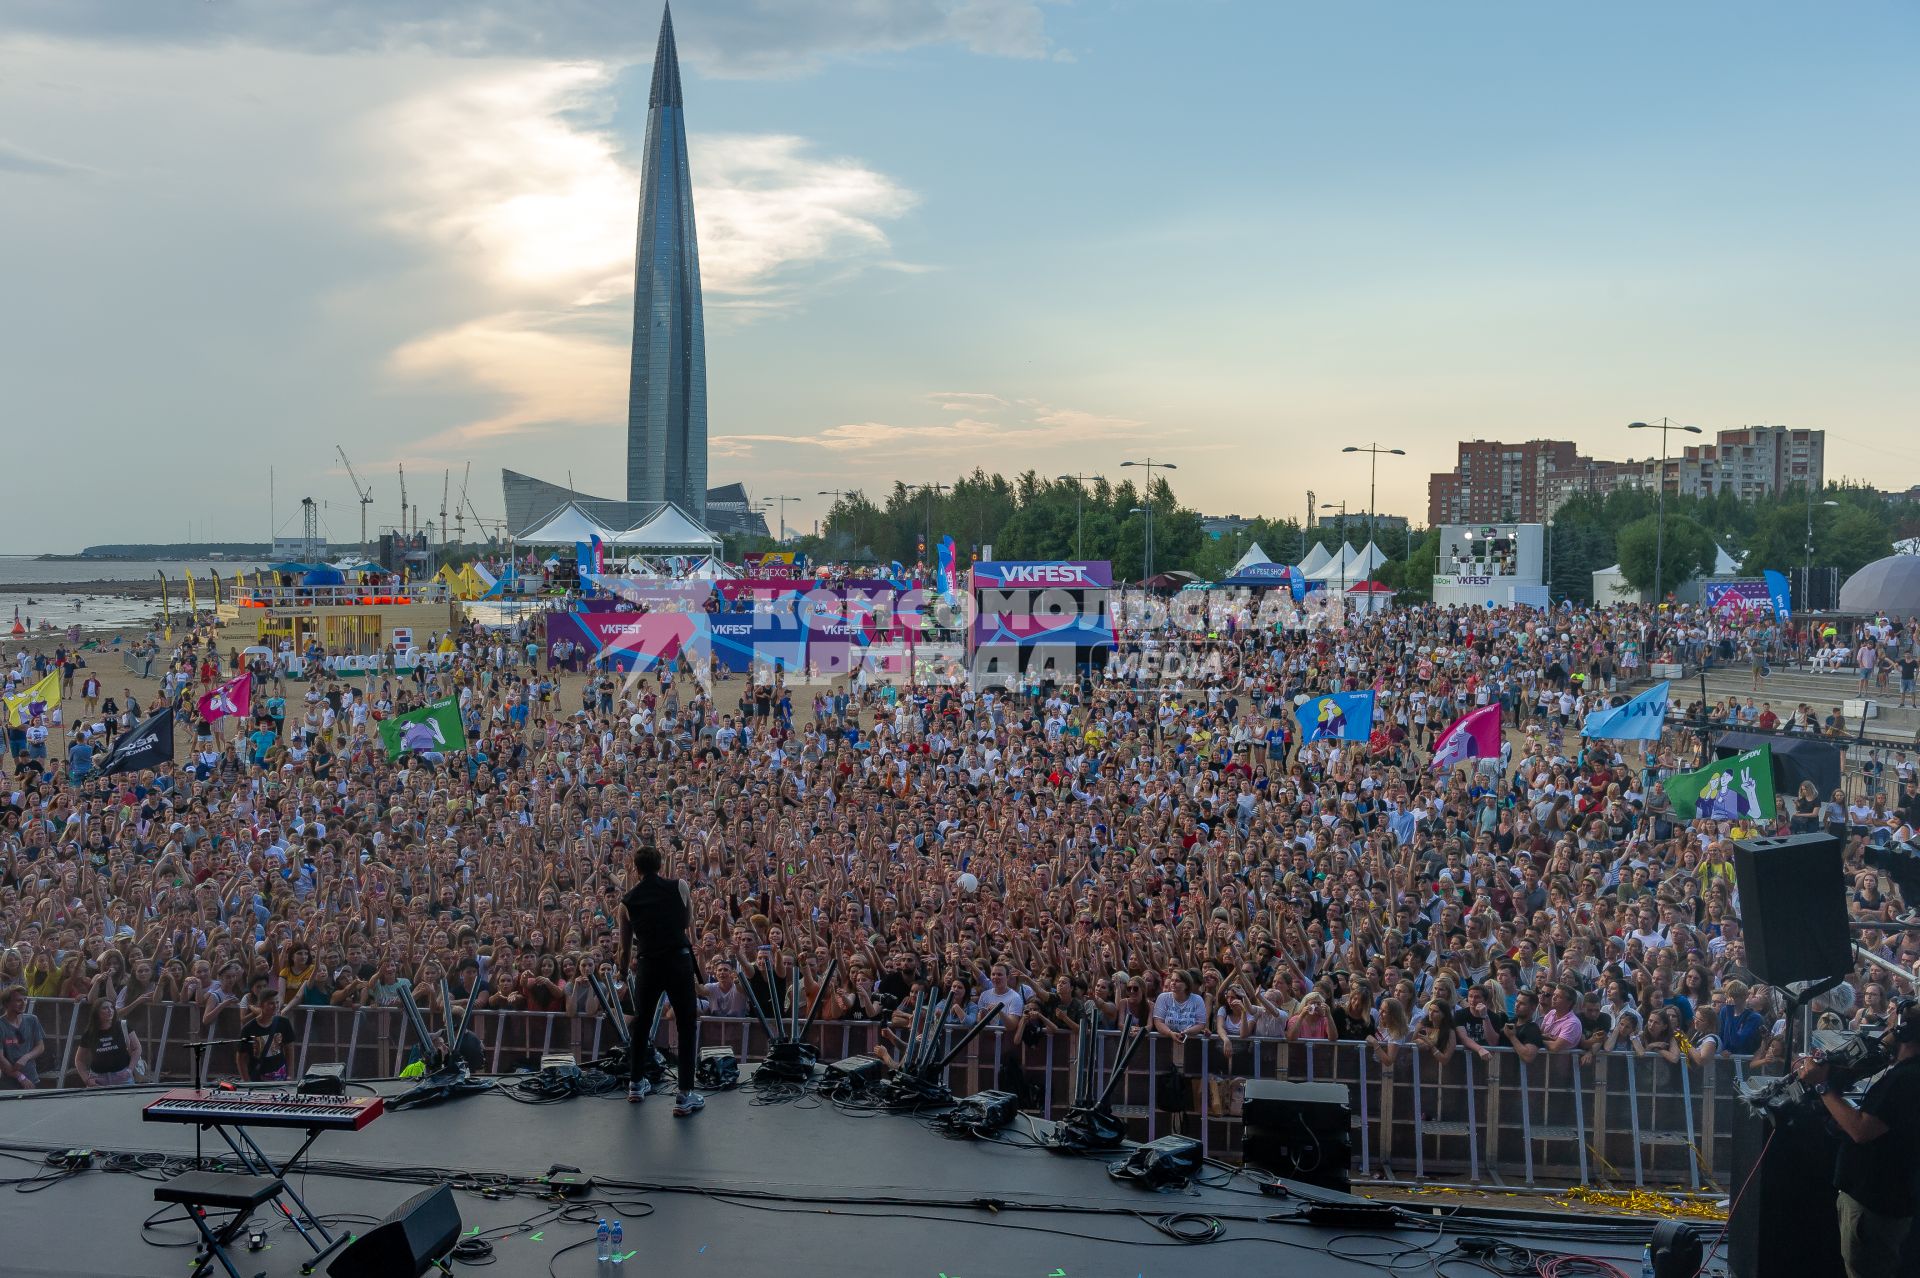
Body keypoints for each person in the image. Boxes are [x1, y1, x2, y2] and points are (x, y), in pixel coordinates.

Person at [1795, 1004, 1920, 1278]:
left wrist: (1822, 1086)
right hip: (1882, 1199)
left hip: (1875, 1203)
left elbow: (1862, 1130)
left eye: (1892, 1027)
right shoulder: (1905, 1074)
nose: (1887, 1032)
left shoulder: (1907, 1078)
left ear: (1904, 1032)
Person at [618, 844, 702, 1115]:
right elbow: (686, 921)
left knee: (641, 1023)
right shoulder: (679, 886)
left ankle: (635, 1084)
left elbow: (624, 946)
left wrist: (622, 972)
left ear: (635, 868)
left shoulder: (627, 901)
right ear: (661, 865)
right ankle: (685, 1093)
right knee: (686, 1022)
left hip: (648, 964)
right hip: (678, 960)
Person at [74, 997, 143, 1087]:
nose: (110, 1010)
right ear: (97, 1012)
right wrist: (87, 1079)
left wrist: (129, 1070)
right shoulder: (90, 1033)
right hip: (98, 1078)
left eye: (111, 1007)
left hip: (122, 1076)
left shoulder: (122, 1026)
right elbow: (79, 1060)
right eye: (105, 1008)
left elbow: (137, 1048)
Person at [236, 987, 293, 1082]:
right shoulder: (248, 1028)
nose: (275, 1006)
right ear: (261, 1005)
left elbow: (289, 1049)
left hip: (280, 1075)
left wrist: (290, 1075)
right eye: (271, 1003)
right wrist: (246, 1080)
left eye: (277, 1002)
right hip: (258, 1077)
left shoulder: (284, 1023)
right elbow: (241, 1057)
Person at [0, 985, 45, 1089]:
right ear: (7, 1003)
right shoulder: (1, 1025)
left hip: (32, 1078)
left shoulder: (32, 1020)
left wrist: (25, 1057)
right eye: (18, 1000)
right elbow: (0, 1059)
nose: (23, 1003)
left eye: (25, 999)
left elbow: (40, 1046)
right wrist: (20, 1076)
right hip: (9, 1084)